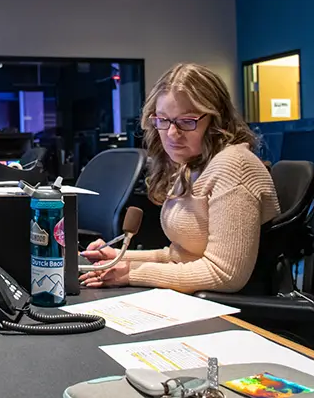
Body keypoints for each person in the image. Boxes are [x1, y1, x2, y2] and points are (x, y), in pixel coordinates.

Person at [80, 63, 280, 294]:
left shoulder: (234, 166)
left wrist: (132, 274)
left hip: (229, 311)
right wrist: (118, 257)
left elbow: (225, 275)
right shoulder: (194, 165)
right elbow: (179, 255)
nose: (172, 134)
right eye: (163, 120)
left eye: (187, 121)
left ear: (216, 121)